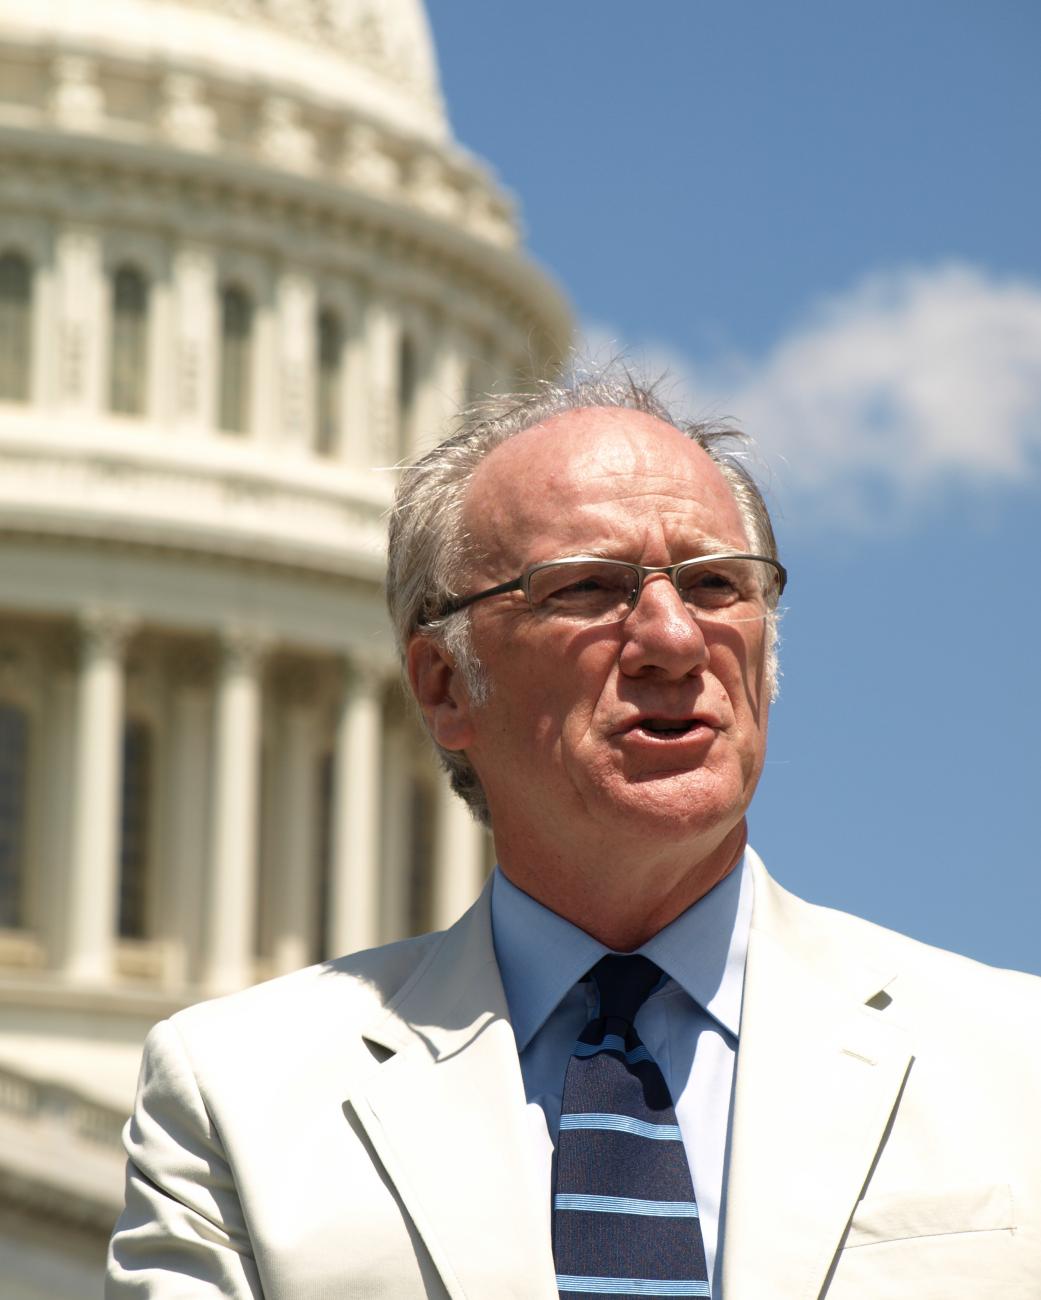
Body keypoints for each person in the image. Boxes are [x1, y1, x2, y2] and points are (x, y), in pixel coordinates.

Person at [108, 374, 1041, 1298]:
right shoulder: (240, 1098)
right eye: (590, 589)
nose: (673, 638)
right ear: (442, 685)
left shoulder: (1012, 1062)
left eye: (717, 584)